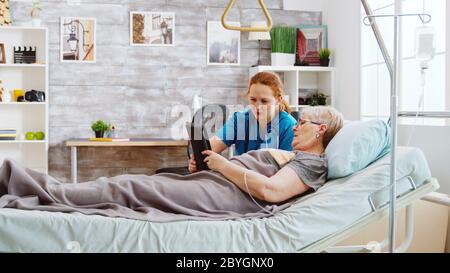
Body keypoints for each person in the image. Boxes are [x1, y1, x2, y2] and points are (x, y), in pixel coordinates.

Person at [0, 107, 343, 221]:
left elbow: (270, 190)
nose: (296, 126)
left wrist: (221, 166)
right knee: (124, 184)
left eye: (304, 123)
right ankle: (25, 184)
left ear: (321, 130)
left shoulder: (314, 163)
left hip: (225, 195)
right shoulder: (298, 155)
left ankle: (17, 180)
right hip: (215, 183)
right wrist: (211, 165)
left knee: (127, 187)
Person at [189, 71, 297, 173]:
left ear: (278, 99)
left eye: (264, 101)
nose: (258, 106)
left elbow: (286, 171)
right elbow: (212, 146)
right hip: (238, 179)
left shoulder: (289, 126)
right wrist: (198, 160)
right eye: (253, 100)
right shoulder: (240, 119)